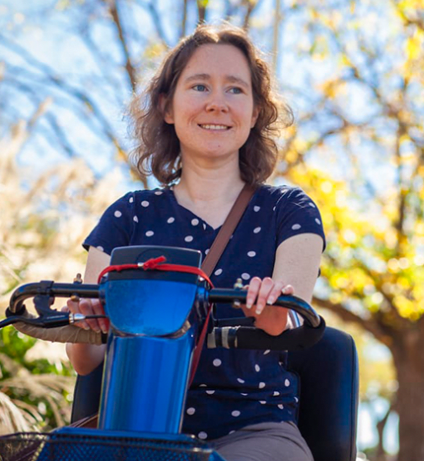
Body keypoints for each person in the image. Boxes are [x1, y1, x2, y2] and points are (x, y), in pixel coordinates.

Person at [65, 23, 325, 461]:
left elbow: (287, 322)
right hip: (135, 429)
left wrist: (271, 308)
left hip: (251, 429)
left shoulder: (289, 210)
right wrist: (90, 321)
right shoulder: (128, 215)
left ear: (257, 111)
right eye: (200, 85)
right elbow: (84, 361)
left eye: (235, 90)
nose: (217, 103)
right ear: (167, 106)